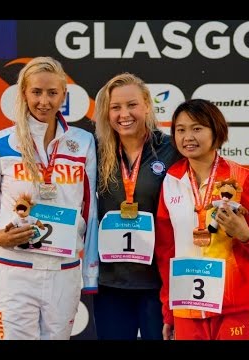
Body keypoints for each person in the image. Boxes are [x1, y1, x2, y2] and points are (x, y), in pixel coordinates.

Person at [0, 56, 98, 340]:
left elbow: (90, 210)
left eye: (53, 93)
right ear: (24, 93)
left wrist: (90, 273)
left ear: (64, 95)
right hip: (14, 269)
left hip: (63, 272)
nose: (44, 101)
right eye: (37, 92)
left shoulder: (83, 143)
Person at [155, 99, 249, 340]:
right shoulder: (171, 179)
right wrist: (169, 311)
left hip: (234, 304)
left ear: (216, 131)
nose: (188, 137)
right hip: (187, 305)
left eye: (197, 128)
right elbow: (165, 252)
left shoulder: (241, 177)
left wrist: (245, 234)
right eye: (180, 130)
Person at [93, 72, 180, 340]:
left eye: (131, 105)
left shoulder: (172, 148)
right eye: (115, 107)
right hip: (111, 281)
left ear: (146, 105)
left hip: (159, 281)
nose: (124, 114)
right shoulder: (95, 150)